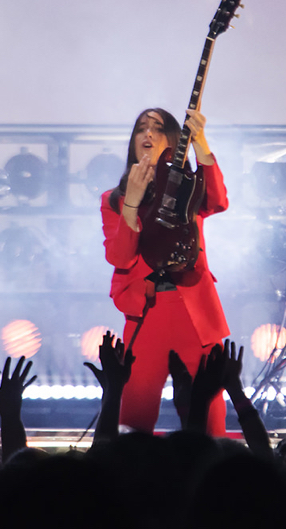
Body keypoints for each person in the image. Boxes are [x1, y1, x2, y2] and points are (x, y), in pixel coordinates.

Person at [100, 108, 230, 436]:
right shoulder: (113, 199)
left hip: (193, 309)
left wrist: (200, 141)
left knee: (209, 418)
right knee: (134, 417)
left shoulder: (190, 186)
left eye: (158, 129)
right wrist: (131, 201)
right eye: (141, 128)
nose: (147, 134)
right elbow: (120, 255)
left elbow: (217, 201)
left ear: (174, 141)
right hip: (146, 310)